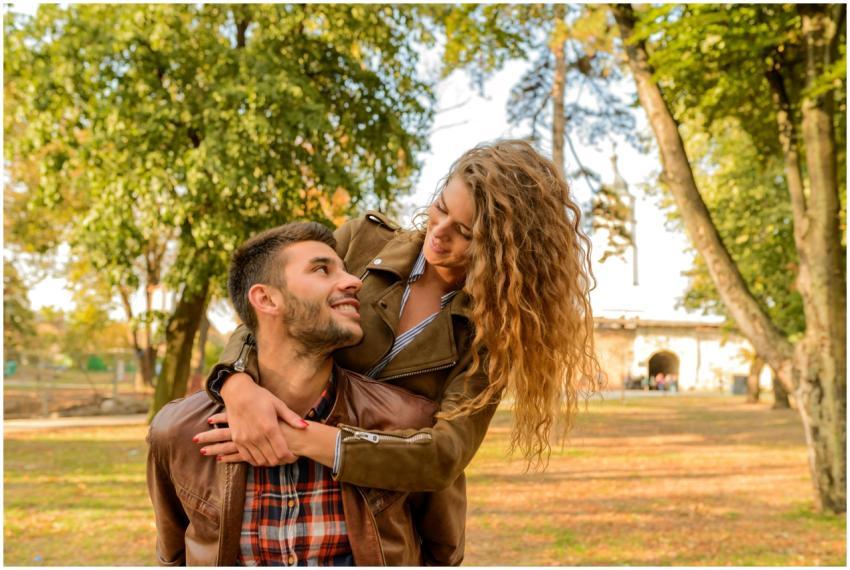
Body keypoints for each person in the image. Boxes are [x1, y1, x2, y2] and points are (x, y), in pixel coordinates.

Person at [197, 139, 603, 546]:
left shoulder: (492, 336)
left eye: (465, 233)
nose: (438, 234)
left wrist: (305, 437)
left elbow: (443, 455)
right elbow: (269, 309)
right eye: (441, 208)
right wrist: (236, 384)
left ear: (505, 251)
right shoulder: (361, 242)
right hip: (273, 484)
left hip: (385, 520)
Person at [147, 222, 459, 565]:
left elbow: (442, 553)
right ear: (266, 298)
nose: (354, 281)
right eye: (322, 270)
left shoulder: (407, 423)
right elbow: (174, 555)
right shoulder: (179, 433)